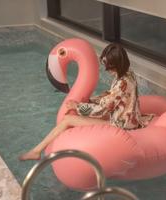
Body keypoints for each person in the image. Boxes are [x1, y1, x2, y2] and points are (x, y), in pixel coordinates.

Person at [19, 43, 154, 161]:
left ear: (118, 65)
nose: (108, 70)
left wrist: (78, 106)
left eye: (110, 67)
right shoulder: (128, 74)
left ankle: (36, 151)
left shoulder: (121, 84)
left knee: (67, 119)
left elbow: (103, 108)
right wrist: (91, 100)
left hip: (121, 125)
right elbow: (112, 97)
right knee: (86, 110)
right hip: (128, 118)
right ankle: (37, 150)